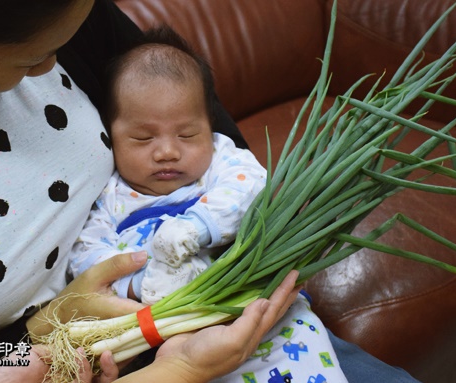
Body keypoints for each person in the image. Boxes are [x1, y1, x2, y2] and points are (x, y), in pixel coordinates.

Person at [0, 0, 420, 382]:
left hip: (210, 299)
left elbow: (190, 112)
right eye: (28, 61)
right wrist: (46, 333)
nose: (48, 69)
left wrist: (254, 234)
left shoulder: (64, 15)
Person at [69, 27, 348, 383]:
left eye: (187, 134)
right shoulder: (109, 195)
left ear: (210, 125)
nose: (167, 151)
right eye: (143, 137)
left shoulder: (222, 160)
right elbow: (84, 257)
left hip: (264, 319)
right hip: (169, 348)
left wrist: (195, 228)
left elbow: (250, 188)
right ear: (110, 133)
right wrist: (142, 284)